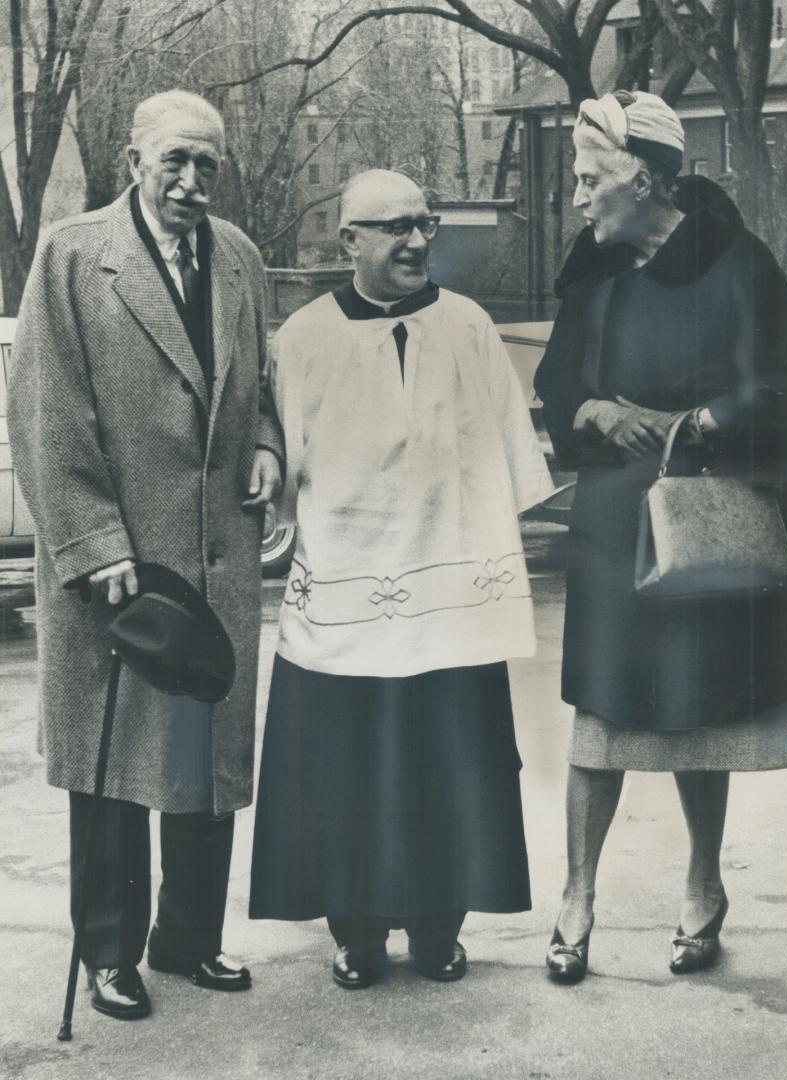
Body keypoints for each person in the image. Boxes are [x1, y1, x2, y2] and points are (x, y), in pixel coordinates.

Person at [533, 90, 787, 984]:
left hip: (703, 518)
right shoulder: (593, 272)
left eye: (592, 180)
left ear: (648, 180)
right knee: (603, 721)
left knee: (698, 714)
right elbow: (555, 386)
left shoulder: (738, 265)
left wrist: (698, 420)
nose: (578, 199)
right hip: (615, 521)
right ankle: (576, 898)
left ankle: (703, 889)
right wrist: (589, 406)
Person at [7, 90, 282, 1020]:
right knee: (114, 758)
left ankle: (190, 941)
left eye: (207, 164)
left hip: (213, 557)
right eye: (174, 160)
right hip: (117, 561)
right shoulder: (75, 256)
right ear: (132, 160)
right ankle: (111, 953)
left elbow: (262, 380)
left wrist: (270, 446)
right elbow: (48, 414)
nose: (191, 181)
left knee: (201, 753)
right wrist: (91, 545)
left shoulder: (239, 259)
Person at [249, 169, 554, 989]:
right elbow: (279, 454)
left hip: (450, 588)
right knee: (347, 764)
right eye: (394, 228)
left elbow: (508, 459)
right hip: (346, 584)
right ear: (349, 241)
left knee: (446, 757)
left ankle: (436, 927)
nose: (417, 242)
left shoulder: (469, 327)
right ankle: (353, 932)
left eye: (426, 224)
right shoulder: (304, 336)